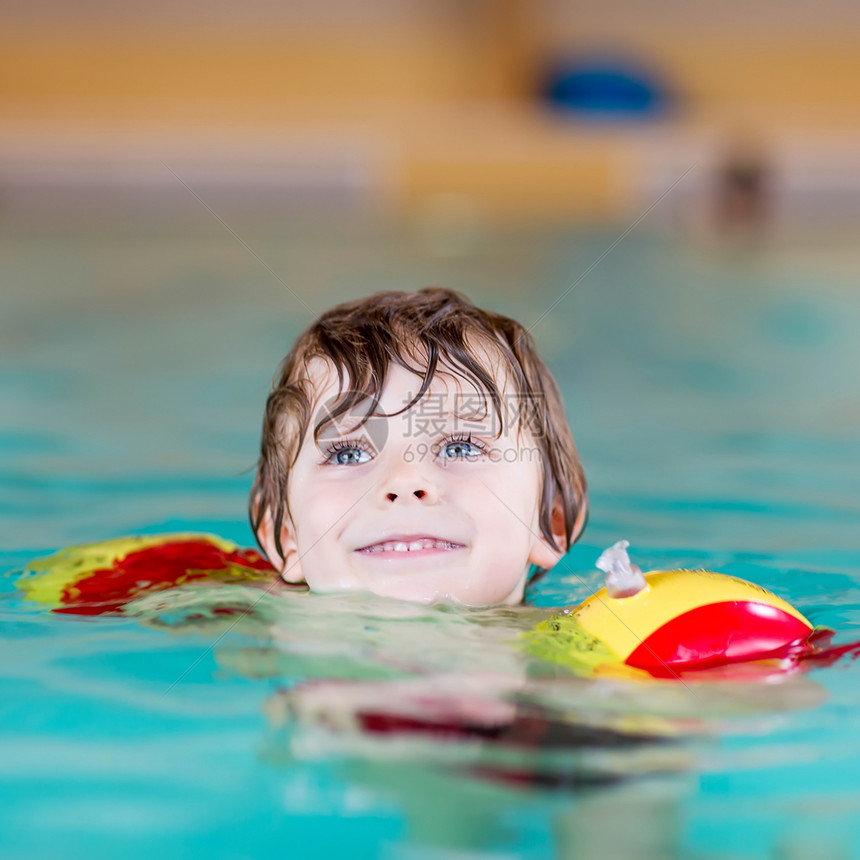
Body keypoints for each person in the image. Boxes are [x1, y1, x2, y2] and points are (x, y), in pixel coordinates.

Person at [250, 287, 587, 606]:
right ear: (285, 538)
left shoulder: (589, 656)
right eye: (348, 454)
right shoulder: (232, 622)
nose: (405, 481)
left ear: (552, 522)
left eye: (460, 448)